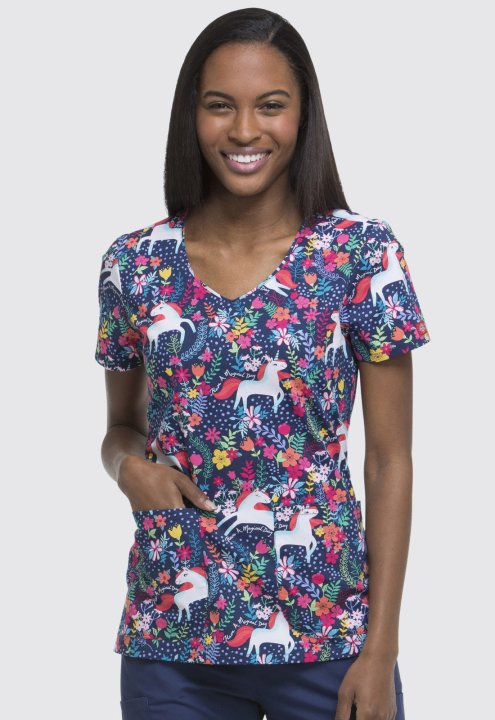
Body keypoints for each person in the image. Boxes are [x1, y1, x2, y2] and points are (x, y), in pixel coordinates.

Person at [94, 8, 431, 720]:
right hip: (173, 638)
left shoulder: (360, 256)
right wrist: (128, 469)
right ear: (192, 116)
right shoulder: (136, 264)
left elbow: (388, 461)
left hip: (329, 636)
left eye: (270, 105)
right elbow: (121, 427)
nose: (244, 130)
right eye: (220, 106)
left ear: (303, 115)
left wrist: (380, 650)